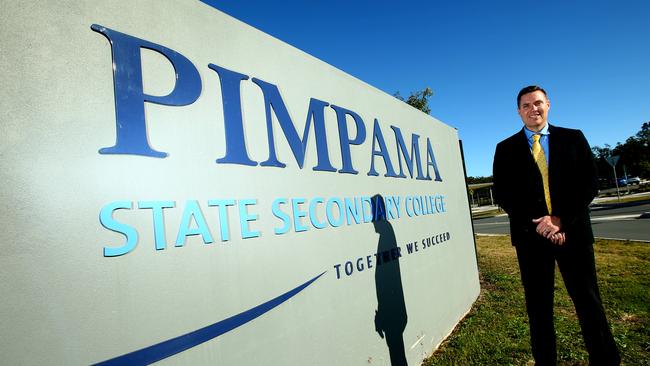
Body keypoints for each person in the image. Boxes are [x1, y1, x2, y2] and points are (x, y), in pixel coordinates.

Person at [492, 85, 620, 365]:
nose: (532, 109)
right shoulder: (505, 149)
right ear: (518, 111)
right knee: (539, 309)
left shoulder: (573, 139)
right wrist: (541, 225)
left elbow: (589, 184)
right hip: (531, 239)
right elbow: (504, 194)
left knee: (589, 303)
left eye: (537, 103)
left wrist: (560, 219)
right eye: (525, 105)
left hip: (574, 234)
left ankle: (606, 360)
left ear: (548, 104)